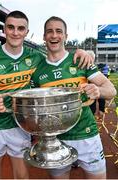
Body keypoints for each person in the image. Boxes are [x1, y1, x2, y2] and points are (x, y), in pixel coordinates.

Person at [0, 11, 95, 179]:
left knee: (22, 178)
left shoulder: (35, 57)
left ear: (26, 32)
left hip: (20, 125)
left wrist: (86, 53)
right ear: (4, 30)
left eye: (20, 28)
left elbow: (58, 57)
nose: (15, 32)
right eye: (11, 27)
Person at [30, 16, 117, 179]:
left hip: (86, 134)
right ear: (44, 37)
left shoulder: (81, 60)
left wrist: (97, 90)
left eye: (58, 31)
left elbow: (111, 89)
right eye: (49, 31)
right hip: (55, 140)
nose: (54, 35)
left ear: (65, 36)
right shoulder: (36, 70)